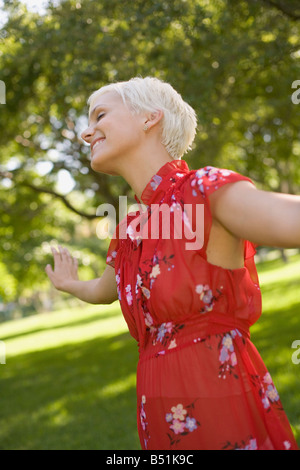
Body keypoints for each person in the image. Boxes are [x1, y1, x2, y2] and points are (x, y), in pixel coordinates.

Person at [45, 76, 300, 450]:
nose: (87, 132)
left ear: (150, 118)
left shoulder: (202, 191)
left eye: (99, 115)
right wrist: (70, 284)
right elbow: (104, 291)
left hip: (220, 403)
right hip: (159, 414)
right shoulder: (129, 228)